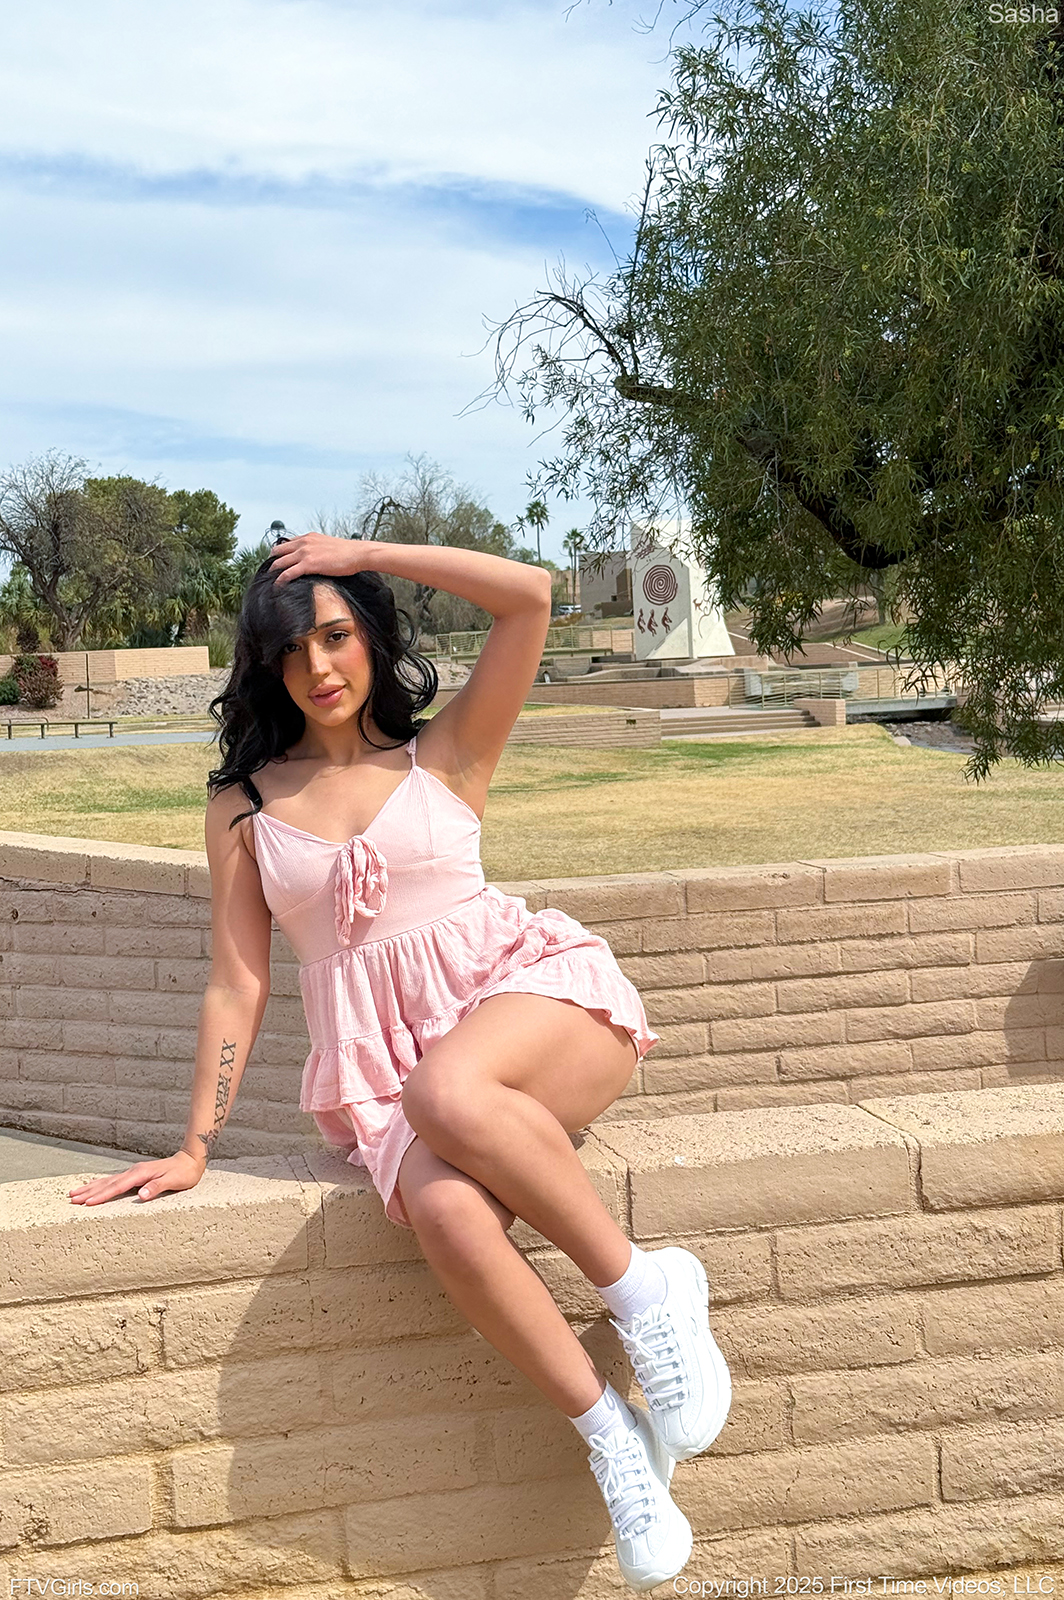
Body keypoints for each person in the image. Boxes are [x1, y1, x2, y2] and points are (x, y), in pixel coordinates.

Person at [68, 532, 731, 1592]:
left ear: (371, 639)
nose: (318, 668)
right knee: (445, 1210)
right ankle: (611, 1435)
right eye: (291, 652)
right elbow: (235, 982)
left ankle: (647, 1292)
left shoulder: (444, 753)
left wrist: (367, 547)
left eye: (336, 636)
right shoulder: (244, 807)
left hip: (538, 1005)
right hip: (396, 1081)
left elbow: (529, 599)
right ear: (265, 667)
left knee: (450, 1087)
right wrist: (196, 1143)